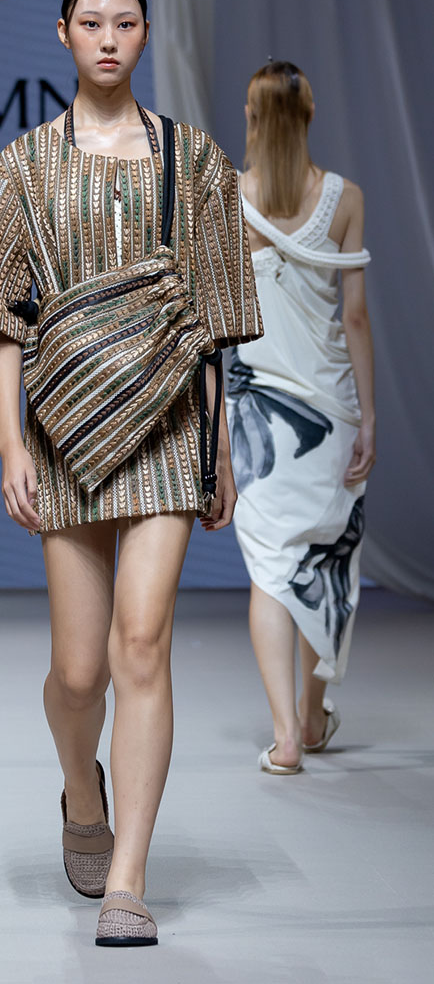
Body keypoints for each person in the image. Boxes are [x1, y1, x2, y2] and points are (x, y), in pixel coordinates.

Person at [0, 0, 262, 946]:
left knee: (141, 644)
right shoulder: (24, 165)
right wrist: (10, 443)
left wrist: (218, 443)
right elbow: (2, 318)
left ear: (144, 33)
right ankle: (81, 793)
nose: (108, 38)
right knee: (79, 672)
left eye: (125, 21)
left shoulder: (193, 160)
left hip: (168, 426)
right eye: (90, 22)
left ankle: (129, 878)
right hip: (64, 431)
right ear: (62, 34)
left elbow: (210, 320)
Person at [228, 60, 375, 775]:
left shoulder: (229, 199)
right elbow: (356, 317)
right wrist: (369, 418)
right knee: (326, 562)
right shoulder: (345, 198)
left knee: (270, 572)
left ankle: (288, 736)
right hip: (332, 411)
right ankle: (313, 715)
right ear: (310, 114)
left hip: (257, 416)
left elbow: (220, 323)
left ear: (252, 118)